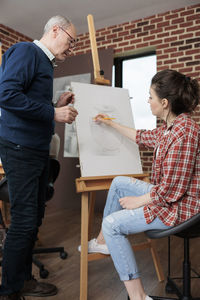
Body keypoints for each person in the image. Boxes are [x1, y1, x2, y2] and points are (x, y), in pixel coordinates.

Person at [79, 69, 200, 300]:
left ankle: (139, 297)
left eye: (150, 97)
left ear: (164, 103)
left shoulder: (184, 133)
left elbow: (173, 190)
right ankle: (103, 242)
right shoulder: (171, 127)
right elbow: (142, 136)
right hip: (168, 196)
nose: (148, 101)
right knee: (119, 182)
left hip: (180, 207)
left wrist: (139, 201)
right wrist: (110, 123)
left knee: (113, 223)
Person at [0, 15, 78, 300]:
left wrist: (54, 104)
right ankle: (9, 291)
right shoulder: (26, 52)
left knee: (33, 219)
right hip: (20, 148)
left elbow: (27, 102)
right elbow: (6, 95)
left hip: (34, 150)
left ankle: (24, 282)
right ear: (55, 30)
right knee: (23, 221)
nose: (71, 50)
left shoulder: (43, 62)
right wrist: (53, 113)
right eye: (71, 41)